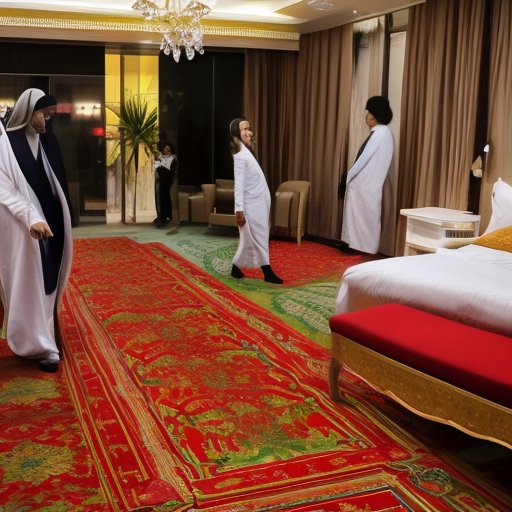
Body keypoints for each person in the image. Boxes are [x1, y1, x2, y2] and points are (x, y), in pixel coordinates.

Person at [2, 88, 73, 372]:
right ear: (29, 113)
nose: (48, 121)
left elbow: (58, 183)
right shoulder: (7, 142)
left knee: (49, 280)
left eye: (51, 115)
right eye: (45, 115)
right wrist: (30, 217)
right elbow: (4, 187)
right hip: (24, 227)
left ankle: (47, 337)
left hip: (52, 223)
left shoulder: (49, 142)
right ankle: (40, 346)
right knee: (30, 280)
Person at [229, 117, 283, 284]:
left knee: (248, 240)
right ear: (236, 134)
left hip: (259, 203)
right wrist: (239, 210)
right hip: (251, 206)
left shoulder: (247, 152)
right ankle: (267, 272)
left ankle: (236, 267)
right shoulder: (240, 156)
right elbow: (239, 185)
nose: (249, 132)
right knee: (259, 237)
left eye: (249, 128)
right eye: (244, 130)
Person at [341, 96, 394, 254]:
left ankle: (361, 247)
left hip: (366, 184)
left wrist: (348, 175)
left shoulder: (381, 133)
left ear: (374, 115)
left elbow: (363, 158)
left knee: (363, 218)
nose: (367, 116)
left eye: (369, 112)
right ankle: (353, 244)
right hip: (364, 184)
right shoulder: (380, 132)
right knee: (358, 217)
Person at [153, 141, 177, 228]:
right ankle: (161, 216)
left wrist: (160, 166)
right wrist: (157, 161)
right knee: (159, 198)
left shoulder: (172, 158)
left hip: (167, 180)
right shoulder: (160, 157)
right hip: (160, 179)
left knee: (165, 197)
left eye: (168, 148)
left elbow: (168, 169)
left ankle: (166, 217)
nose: (166, 149)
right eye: (165, 148)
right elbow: (156, 167)